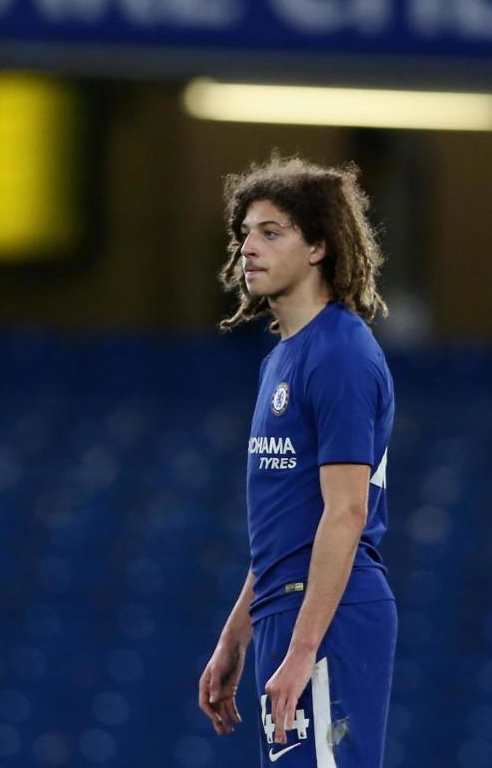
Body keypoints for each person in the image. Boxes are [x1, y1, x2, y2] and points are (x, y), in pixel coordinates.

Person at [198, 155, 397, 767]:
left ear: (318, 246)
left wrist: (304, 649)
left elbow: (345, 513)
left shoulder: (338, 354)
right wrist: (238, 632)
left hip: (331, 613)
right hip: (288, 610)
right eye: (244, 234)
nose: (248, 249)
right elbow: (290, 524)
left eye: (270, 232)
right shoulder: (281, 359)